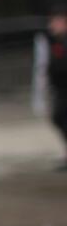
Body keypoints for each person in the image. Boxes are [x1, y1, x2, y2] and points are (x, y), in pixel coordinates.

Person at [42, 10, 67, 166]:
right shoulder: (56, 42)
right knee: (58, 118)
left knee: (60, 117)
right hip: (60, 89)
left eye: (55, 22)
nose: (51, 26)